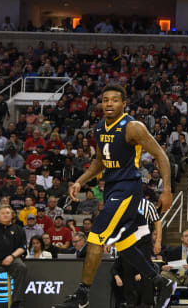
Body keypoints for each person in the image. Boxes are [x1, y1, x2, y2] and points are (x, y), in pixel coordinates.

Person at [54, 85, 175, 308]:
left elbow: (160, 155)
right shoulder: (99, 128)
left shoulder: (133, 127)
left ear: (124, 103)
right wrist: (80, 181)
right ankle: (159, 281)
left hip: (128, 188)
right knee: (125, 243)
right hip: (112, 188)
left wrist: (166, 190)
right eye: (105, 100)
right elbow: (100, 163)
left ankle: (83, 295)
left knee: (96, 237)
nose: (109, 104)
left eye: (114, 100)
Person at [0, 205, 27, 308]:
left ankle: (16, 301)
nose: (5, 215)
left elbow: (23, 247)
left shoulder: (19, 229)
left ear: (12, 215)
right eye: (2, 213)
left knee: (21, 267)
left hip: (11, 259)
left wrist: (12, 256)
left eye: (7, 213)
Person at [161, 229, 188, 298]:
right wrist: (164, 267)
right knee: (163, 273)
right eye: (186, 236)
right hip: (176, 277)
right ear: (182, 238)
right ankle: (165, 299)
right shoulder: (173, 250)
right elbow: (167, 264)